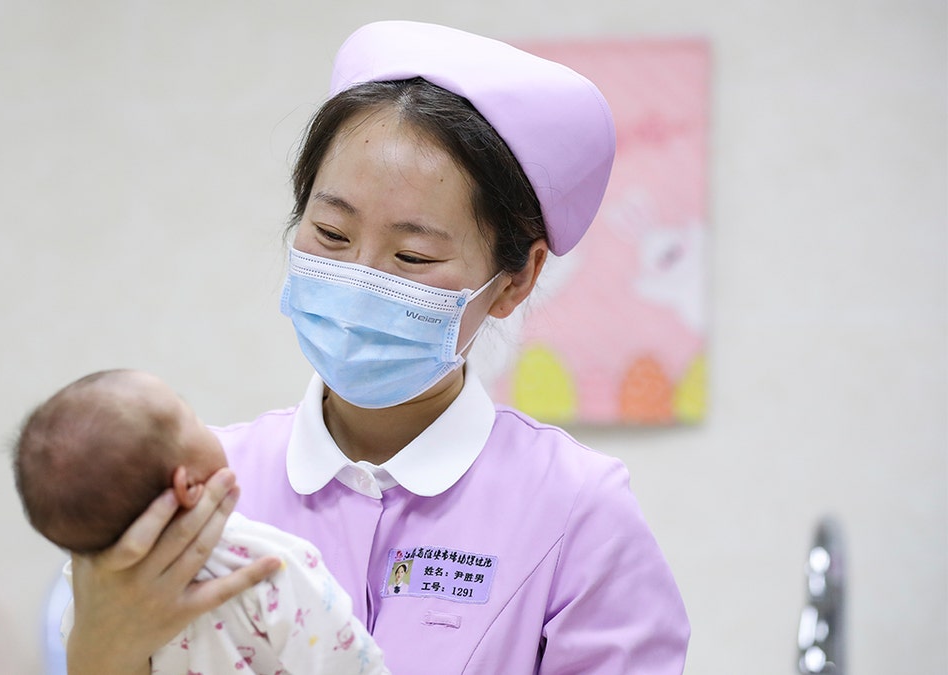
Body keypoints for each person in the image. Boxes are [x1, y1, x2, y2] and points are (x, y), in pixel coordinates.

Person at [64, 20, 691, 674]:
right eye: (332, 233)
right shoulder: (196, 485)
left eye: (413, 254)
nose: (361, 277)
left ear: (517, 280)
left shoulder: (573, 510)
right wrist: (100, 647)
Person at [13, 369, 389, 674]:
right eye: (190, 416)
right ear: (188, 485)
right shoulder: (266, 563)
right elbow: (347, 661)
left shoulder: (94, 599)